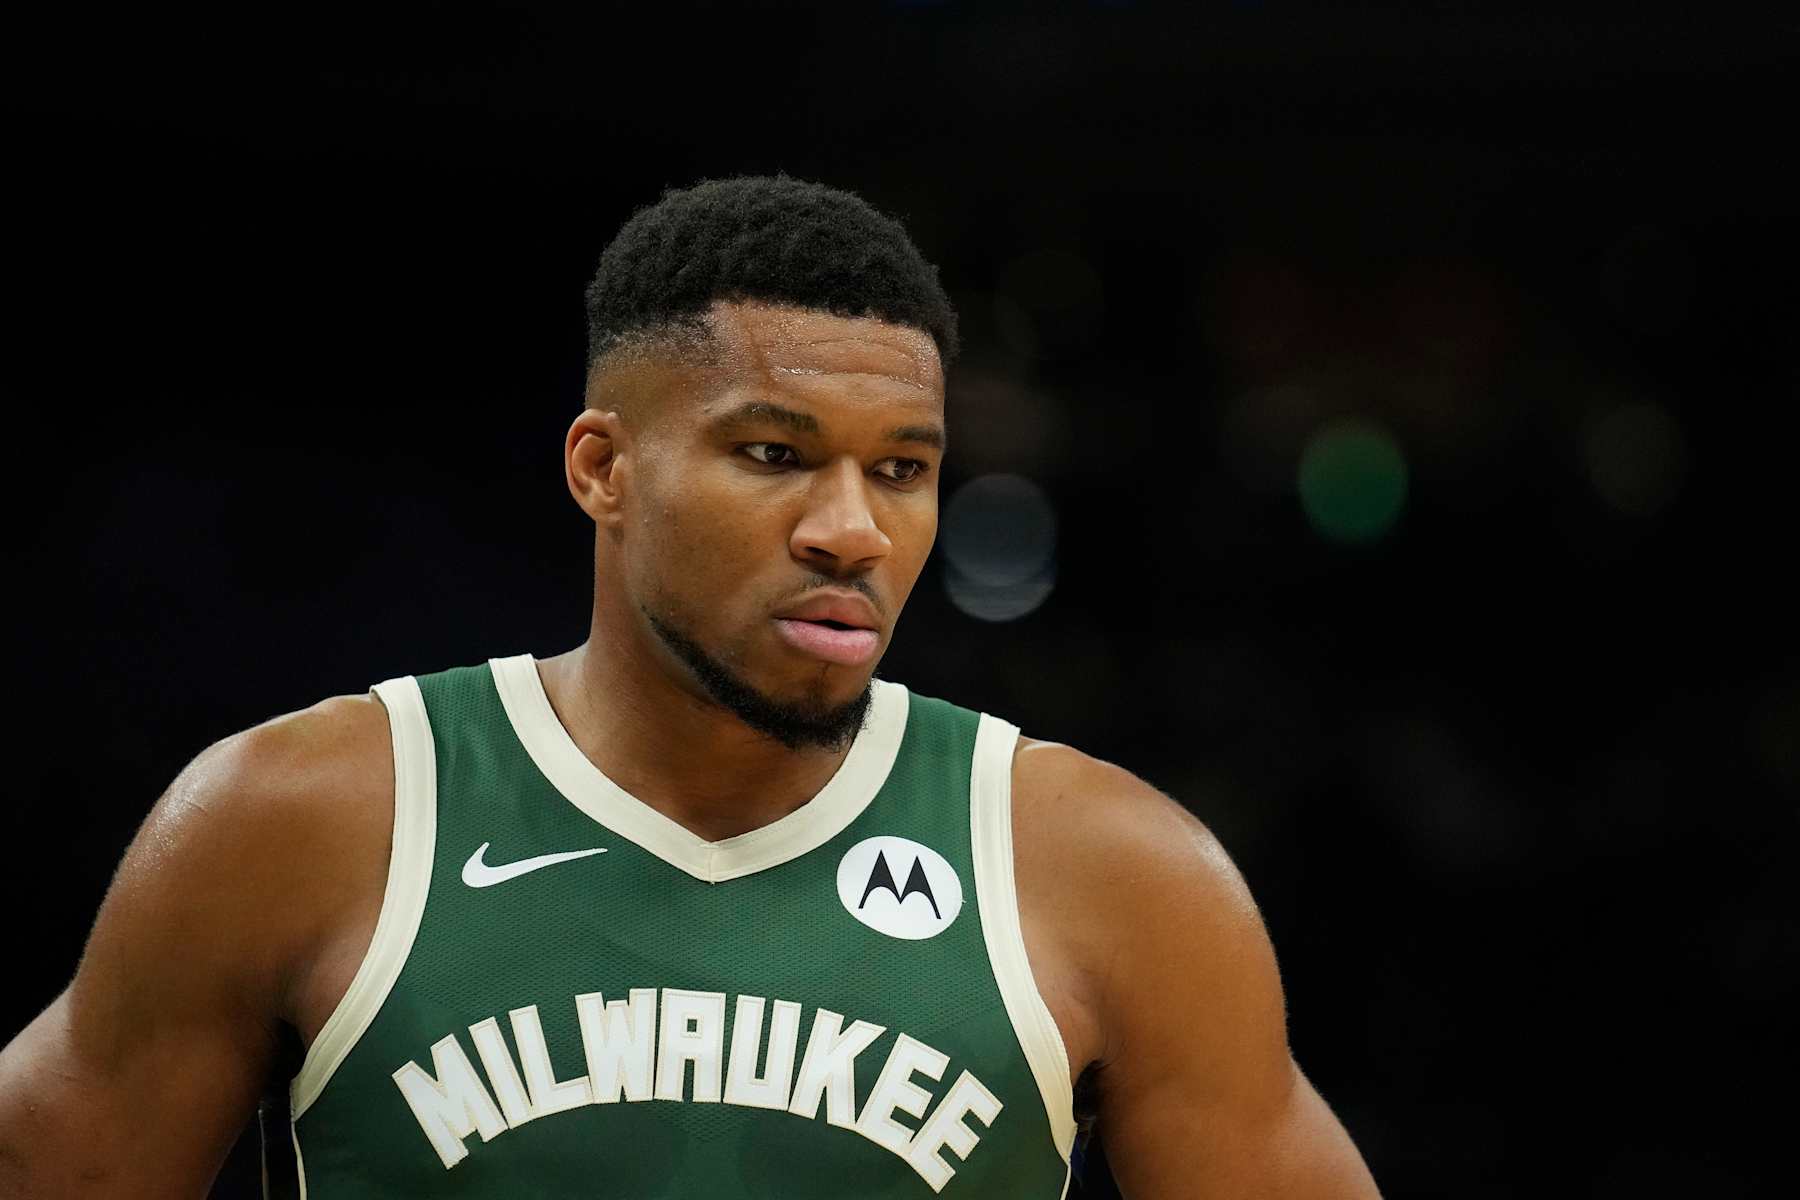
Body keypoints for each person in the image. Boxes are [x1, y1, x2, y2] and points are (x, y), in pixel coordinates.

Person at [0, 176, 1380, 1198]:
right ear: (603, 469)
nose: (852, 527)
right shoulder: (303, 815)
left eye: (900, 468)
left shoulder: (1111, 867)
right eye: (776, 453)